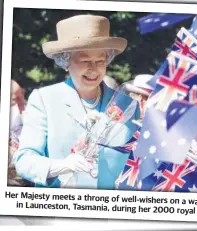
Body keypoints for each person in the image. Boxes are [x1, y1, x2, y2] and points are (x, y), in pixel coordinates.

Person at [13, 15, 139, 190]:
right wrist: (62, 166)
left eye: (100, 61)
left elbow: (137, 161)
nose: (94, 69)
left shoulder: (127, 105)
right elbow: (24, 159)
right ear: (65, 61)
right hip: (59, 208)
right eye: (85, 61)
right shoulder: (44, 99)